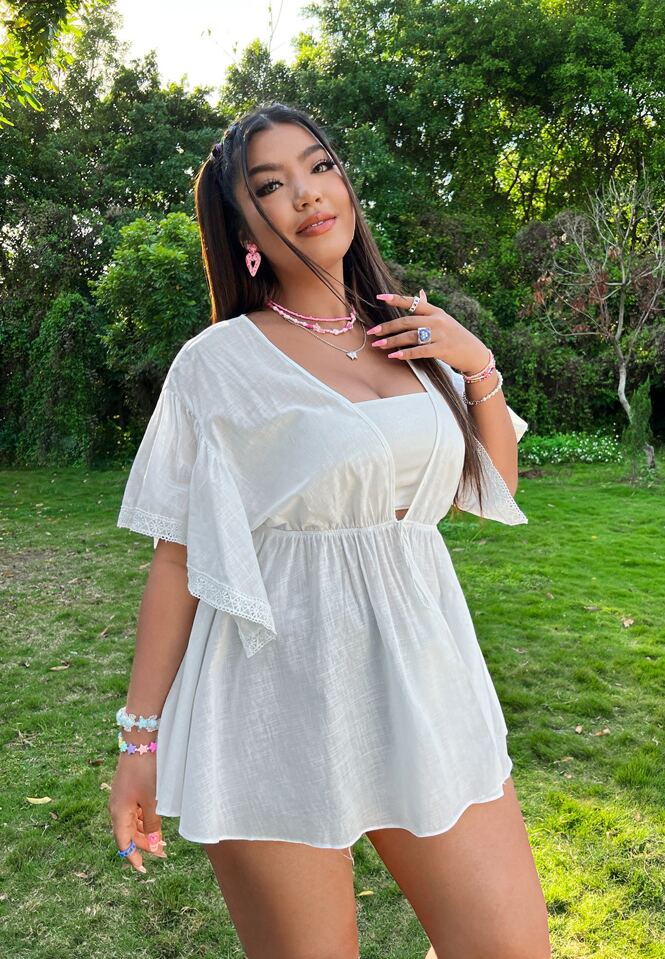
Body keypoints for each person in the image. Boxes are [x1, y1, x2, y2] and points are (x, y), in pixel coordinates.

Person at [108, 101, 551, 959]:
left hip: (426, 677)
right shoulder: (218, 363)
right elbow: (178, 557)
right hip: (270, 691)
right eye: (272, 185)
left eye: (319, 166)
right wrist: (139, 740)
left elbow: (489, 487)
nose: (309, 193)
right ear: (244, 228)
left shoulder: (409, 332)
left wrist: (477, 364)